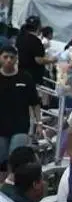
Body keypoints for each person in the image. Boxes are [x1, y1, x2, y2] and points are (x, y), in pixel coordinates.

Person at [0, 43, 40, 172]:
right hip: (1, 127)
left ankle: (11, 186)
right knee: (1, 160)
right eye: (5, 57)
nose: (9, 60)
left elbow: (35, 102)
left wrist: (39, 123)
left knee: (15, 158)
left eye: (12, 57)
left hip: (20, 126)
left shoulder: (25, 77)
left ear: (16, 59)